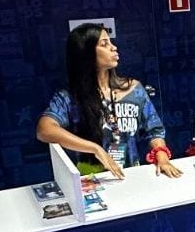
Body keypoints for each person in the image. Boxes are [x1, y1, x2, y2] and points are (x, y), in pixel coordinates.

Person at [38, 23, 180, 178]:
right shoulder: (70, 96)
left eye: (110, 42)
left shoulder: (134, 89)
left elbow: (154, 130)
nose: (113, 48)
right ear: (86, 53)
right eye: (104, 44)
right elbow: (44, 130)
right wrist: (95, 149)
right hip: (91, 179)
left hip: (130, 175)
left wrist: (162, 157)